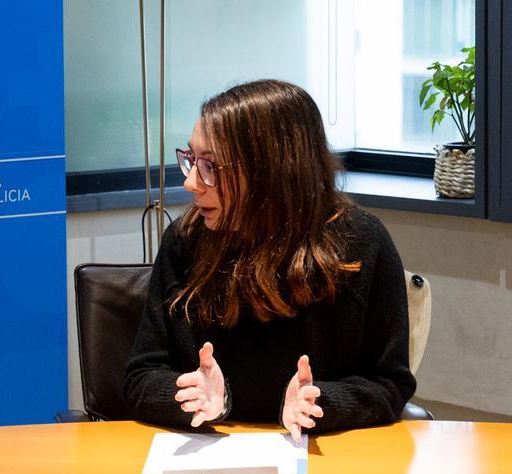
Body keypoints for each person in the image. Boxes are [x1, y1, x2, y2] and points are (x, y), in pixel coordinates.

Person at [124, 79, 416, 440]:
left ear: (272, 172)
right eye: (191, 160)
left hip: (322, 462)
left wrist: (318, 404)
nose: (191, 183)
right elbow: (141, 377)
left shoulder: (360, 244)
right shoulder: (186, 241)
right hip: (207, 462)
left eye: (211, 166)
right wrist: (193, 397)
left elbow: (390, 383)